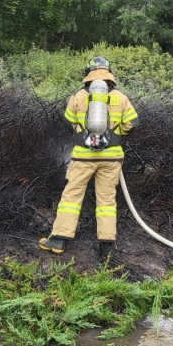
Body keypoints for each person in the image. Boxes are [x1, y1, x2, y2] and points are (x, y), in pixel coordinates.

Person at [38, 56, 139, 259]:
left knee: (71, 197)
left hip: (83, 157)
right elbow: (133, 124)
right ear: (109, 73)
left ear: (88, 74)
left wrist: (80, 130)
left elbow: (67, 121)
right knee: (107, 200)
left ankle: (58, 240)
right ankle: (106, 247)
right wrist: (115, 133)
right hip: (111, 159)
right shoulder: (120, 97)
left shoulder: (78, 96)